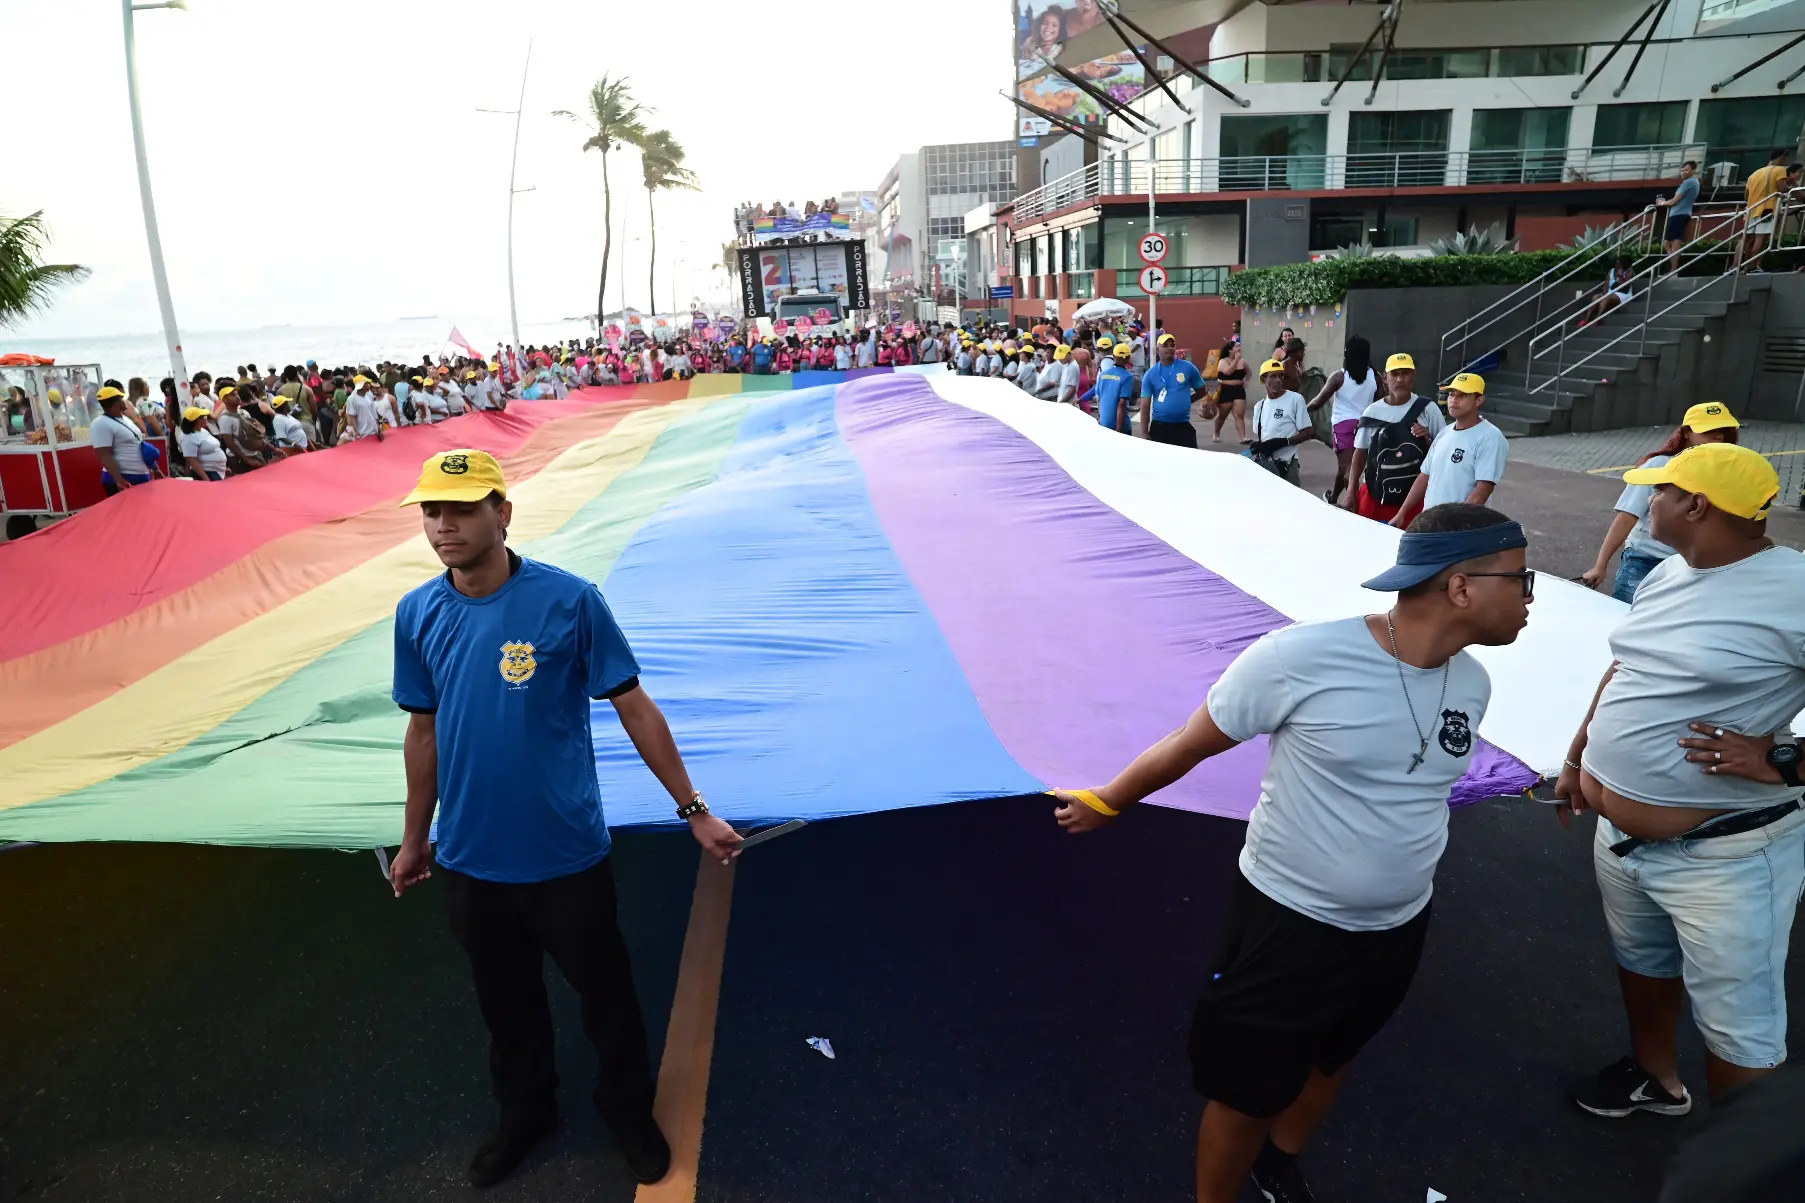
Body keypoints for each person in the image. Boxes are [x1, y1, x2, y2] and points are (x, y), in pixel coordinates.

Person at [1052, 504, 1533, 1203]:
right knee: (1247, 1088)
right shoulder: (1298, 658)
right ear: (1460, 586)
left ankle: (1278, 1160)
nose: (1528, 597)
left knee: (1334, 1053)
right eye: (1519, 578)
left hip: (1398, 926)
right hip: (1288, 922)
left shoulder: (1472, 682)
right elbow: (1189, 742)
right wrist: (1109, 799)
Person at [387, 449, 744, 1189]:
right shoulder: (417, 613)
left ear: (503, 512)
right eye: (431, 511)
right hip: (471, 858)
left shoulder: (569, 601)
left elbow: (634, 706)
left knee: (605, 994)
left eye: (461, 508)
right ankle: (526, 1111)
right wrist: (416, 837)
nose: (444, 525)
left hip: (565, 854)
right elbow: (422, 732)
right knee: (505, 1000)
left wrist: (694, 809)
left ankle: (625, 1108)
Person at [1555, 442, 1805, 1116]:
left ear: (1695, 505)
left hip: (1727, 854)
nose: (1645, 502)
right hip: (1622, 837)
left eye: (1657, 492)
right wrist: (1580, 757)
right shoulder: (1668, 573)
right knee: (1641, 961)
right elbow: (1624, 669)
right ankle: (1653, 1078)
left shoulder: (1794, 589)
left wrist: (1783, 759)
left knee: (1738, 1023)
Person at [1580, 402, 1741, 600]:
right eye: (1708, 431)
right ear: (1687, 434)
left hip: (1694, 567)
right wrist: (1600, 565)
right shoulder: (1659, 467)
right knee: (1632, 622)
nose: (1717, 436)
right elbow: (1627, 517)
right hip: (1645, 561)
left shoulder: (1728, 473)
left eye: (1722, 431)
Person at [1390, 372, 1509, 527]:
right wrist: (1402, 514)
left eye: (1462, 395)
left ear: (1479, 400)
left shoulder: (1490, 437)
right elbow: (1424, 476)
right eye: (1452, 394)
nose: (1454, 400)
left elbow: (1483, 489)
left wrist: (1455, 526)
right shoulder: (1444, 432)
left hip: (1460, 529)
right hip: (1431, 523)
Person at [1344, 353, 1445, 523]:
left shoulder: (1428, 409)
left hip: (1414, 495)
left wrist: (1427, 439)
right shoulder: (1372, 412)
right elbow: (1360, 453)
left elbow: (1443, 451)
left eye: (1405, 373)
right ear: (1385, 378)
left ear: (1413, 376)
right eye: (1395, 374)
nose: (1400, 379)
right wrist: (1350, 491)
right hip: (1375, 492)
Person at [1308, 335, 1377, 503]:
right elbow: (1382, 402)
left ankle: (1354, 508)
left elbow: (1318, 402)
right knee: (1344, 469)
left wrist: (1298, 412)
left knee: (1348, 470)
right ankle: (1333, 498)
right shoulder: (1376, 377)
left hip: (1343, 427)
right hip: (1366, 426)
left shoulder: (1339, 376)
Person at [1246, 359, 1311, 486]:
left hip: (1288, 463)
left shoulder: (1295, 399)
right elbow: (1261, 435)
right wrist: (1259, 446)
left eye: (1281, 375)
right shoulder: (1259, 406)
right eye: (1273, 376)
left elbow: (1308, 432)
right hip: (1267, 464)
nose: (1279, 379)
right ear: (1264, 379)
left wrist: (1283, 442)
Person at [1140, 333, 1206, 445]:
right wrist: (1144, 432)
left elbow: (1202, 390)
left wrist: (1186, 401)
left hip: (1183, 425)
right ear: (1157, 349)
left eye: (1172, 345)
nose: (1170, 348)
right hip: (1160, 426)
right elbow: (1145, 404)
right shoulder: (1151, 374)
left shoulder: (1188, 368)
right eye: (1165, 345)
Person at [91, 386, 154, 493]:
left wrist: (152, 467)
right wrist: (119, 480)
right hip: (125, 479)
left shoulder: (125, 419)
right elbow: (104, 455)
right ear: (114, 402)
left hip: (140, 476)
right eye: (121, 398)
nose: (124, 401)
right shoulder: (100, 424)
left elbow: (137, 444)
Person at [1736, 148, 1791, 272]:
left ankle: (1740, 266)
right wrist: (1792, 190)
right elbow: (1782, 187)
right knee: (1760, 239)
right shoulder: (1779, 170)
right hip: (1768, 209)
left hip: (1751, 210)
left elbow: (1746, 195)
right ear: (1781, 156)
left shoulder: (1754, 174)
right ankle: (1753, 266)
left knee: (1747, 240)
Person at [1080, 342, 1138, 433]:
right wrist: (1119, 429)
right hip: (1121, 426)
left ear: (1114, 357)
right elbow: (1122, 404)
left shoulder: (1103, 374)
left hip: (1105, 423)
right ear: (1128, 358)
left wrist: (1101, 418)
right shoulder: (1127, 376)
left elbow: (1099, 398)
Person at [1653, 161, 1700, 269]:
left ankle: (1674, 270)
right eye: (1682, 170)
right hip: (1681, 214)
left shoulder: (1689, 182)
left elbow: (1674, 201)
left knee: (1674, 243)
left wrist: (1662, 203)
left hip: (1679, 215)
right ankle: (1674, 267)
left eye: (1686, 170)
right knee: (1667, 242)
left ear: (1693, 170)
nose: (1683, 172)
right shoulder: (1692, 182)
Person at [1212, 341, 1248, 445]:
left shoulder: (1242, 361)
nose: (1239, 348)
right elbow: (1228, 372)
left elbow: (1249, 372)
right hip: (1226, 390)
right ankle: (1216, 432)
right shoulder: (1223, 361)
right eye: (1237, 347)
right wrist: (1236, 359)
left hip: (1239, 390)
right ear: (1230, 350)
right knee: (1223, 415)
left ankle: (1242, 437)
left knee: (1239, 415)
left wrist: (1246, 381)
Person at [1582, 256, 1637, 325]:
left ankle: (1597, 320)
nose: (1617, 266)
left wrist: (1621, 276)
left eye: (1619, 264)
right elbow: (1606, 285)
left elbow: (1624, 286)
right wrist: (1603, 294)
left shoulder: (1630, 272)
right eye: (1616, 264)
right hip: (1610, 293)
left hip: (1623, 294)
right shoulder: (1611, 271)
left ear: (1624, 264)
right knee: (1596, 297)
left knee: (1606, 298)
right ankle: (1586, 320)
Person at [177, 406, 229, 479]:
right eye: (202, 417)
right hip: (207, 473)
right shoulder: (188, 437)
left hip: (217, 471)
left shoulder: (202, 431)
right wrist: (206, 478)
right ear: (196, 421)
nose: (205, 418)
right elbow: (192, 460)